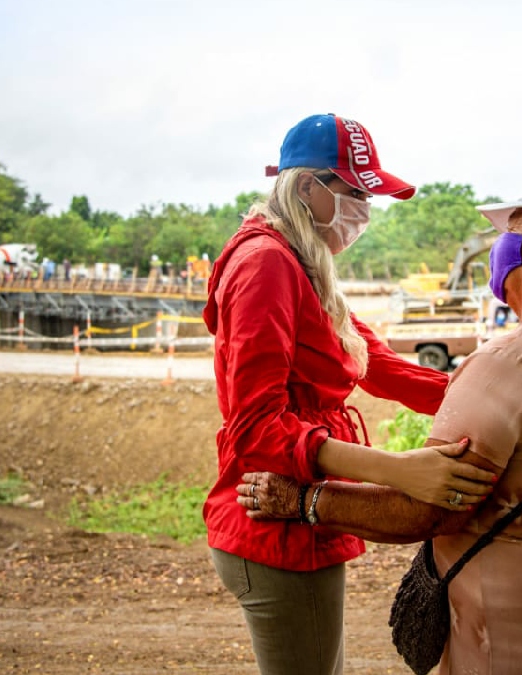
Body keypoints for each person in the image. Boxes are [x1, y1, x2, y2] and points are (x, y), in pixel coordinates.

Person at [240, 172, 522, 675]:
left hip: (512, 622)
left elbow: (431, 509)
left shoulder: (510, 362)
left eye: (512, 232)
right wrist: (454, 392)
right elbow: (381, 365)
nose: (500, 245)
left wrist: (302, 501)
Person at [203, 113, 497, 675]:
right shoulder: (265, 264)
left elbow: (375, 364)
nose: (364, 209)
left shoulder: (302, 261)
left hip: (300, 515)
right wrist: (397, 471)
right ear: (306, 187)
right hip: (276, 528)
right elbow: (256, 427)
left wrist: (489, 394)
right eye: (356, 192)